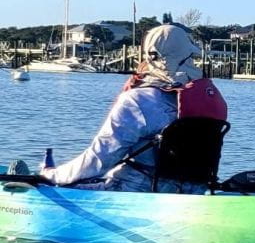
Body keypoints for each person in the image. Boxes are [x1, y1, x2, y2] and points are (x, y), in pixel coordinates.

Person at [35, 23, 227, 193]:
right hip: (195, 191)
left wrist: (53, 176)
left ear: (152, 56)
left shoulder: (138, 101)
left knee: (62, 184)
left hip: (137, 191)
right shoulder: (210, 99)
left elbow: (99, 161)